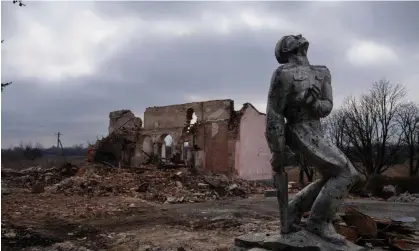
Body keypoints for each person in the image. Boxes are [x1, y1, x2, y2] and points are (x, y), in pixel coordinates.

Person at [265, 34, 359, 245]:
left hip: (317, 130)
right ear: (288, 50)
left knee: (332, 175)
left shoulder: (322, 72)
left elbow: (327, 106)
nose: (300, 39)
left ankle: (294, 210)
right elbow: (275, 113)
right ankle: (318, 221)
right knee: (347, 173)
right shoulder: (283, 74)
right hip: (298, 130)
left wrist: (313, 104)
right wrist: (277, 150)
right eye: (294, 40)